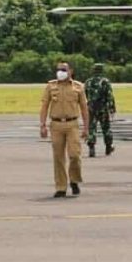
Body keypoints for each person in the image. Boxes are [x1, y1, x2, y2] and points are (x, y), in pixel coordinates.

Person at [39, 61, 89, 198]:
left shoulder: (78, 87)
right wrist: (42, 125)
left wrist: (86, 127)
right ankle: (61, 186)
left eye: (64, 69)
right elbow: (44, 106)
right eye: (58, 69)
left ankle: (74, 180)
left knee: (74, 155)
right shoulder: (50, 86)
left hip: (72, 124)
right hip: (56, 125)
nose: (60, 72)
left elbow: (84, 108)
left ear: (70, 71)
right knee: (58, 157)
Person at [84, 63, 116, 157]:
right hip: (103, 108)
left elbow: (85, 94)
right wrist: (112, 108)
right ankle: (108, 147)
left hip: (91, 108)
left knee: (91, 128)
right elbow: (110, 96)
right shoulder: (105, 81)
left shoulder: (88, 82)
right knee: (106, 128)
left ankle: (91, 147)